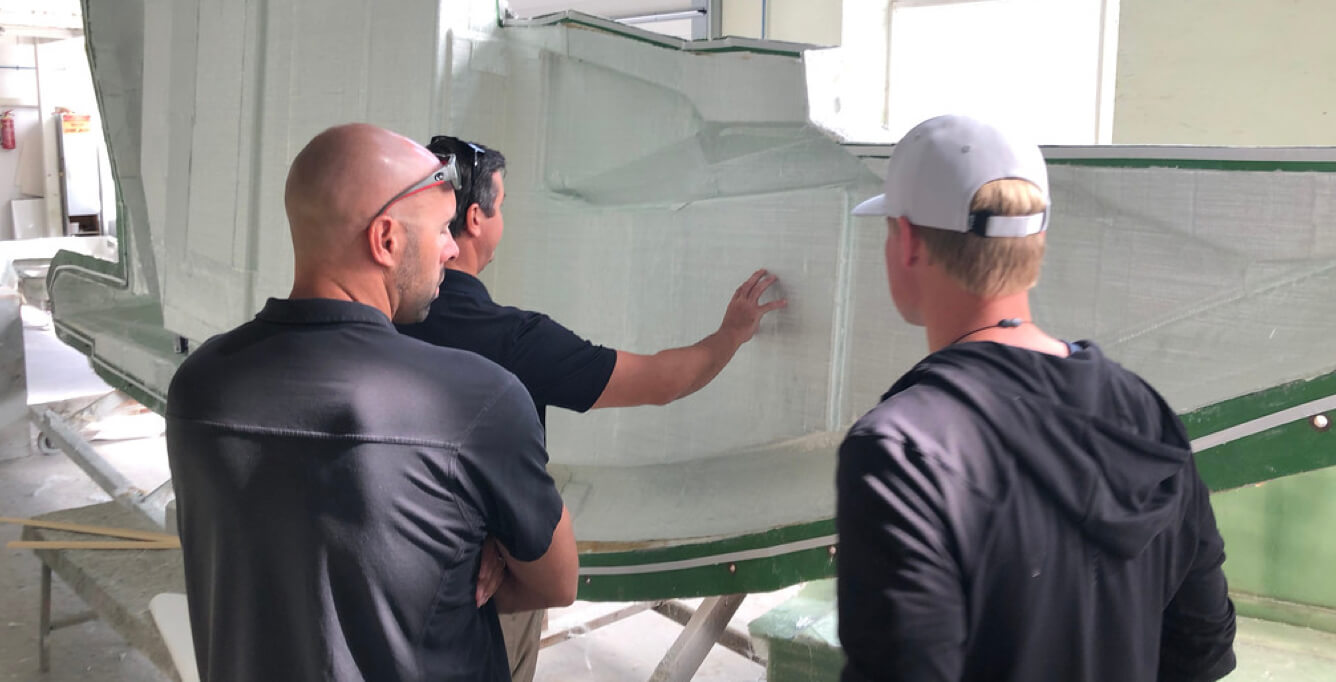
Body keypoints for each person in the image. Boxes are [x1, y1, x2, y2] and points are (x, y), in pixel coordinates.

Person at [165, 123, 578, 682]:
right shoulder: (477, 400)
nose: (454, 247)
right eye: (439, 230)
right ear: (386, 240)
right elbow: (558, 582)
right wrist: (473, 557)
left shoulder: (198, 389)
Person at [835, 114, 1236, 681]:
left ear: (905, 243)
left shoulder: (901, 451)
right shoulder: (1145, 411)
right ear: (1037, 241)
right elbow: (1203, 643)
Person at [397, 136, 787, 681]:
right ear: (478, 219)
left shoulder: (379, 314)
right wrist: (731, 334)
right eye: (501, 204)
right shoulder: (516, 342)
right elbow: (660, 381)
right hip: (484, 595)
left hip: (381, 584)